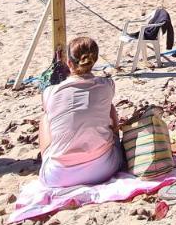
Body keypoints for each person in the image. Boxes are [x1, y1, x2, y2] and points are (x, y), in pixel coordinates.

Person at [38, 36, 122, 187]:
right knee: (108, 106)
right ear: (94, 61)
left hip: (58, 177)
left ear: (69, 63)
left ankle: (49, 158)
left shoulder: (51, 92)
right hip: (104, 168)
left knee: (45, 117)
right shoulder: (107, 85)